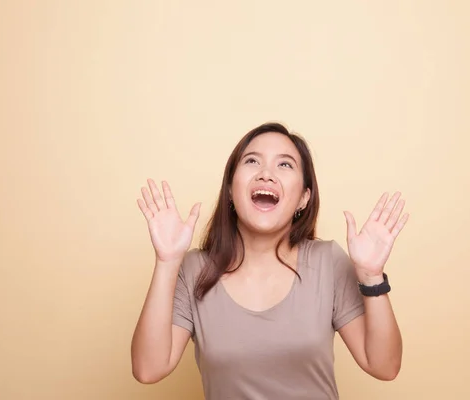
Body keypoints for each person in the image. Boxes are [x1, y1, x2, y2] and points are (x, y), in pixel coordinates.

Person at [131, 122, 409, 399]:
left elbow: (384, 366)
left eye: (285, 165)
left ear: (303, 198)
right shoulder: (195, 270)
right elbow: (148, 369)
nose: (266, 174)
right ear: (230, 188)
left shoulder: (328, 262)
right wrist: (167, 262)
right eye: (252, 161)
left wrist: (372, 277)